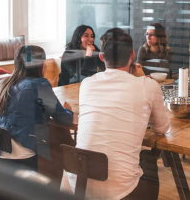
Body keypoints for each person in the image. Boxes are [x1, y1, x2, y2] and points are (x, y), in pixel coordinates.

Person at [67, 28, 171, 200]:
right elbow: (162, 128)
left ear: (101, 57)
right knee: (148, 159)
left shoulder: (87, 84)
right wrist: (142, 77)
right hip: (120, 192)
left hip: (79, 185)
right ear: (132, 55)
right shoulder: (147, 85)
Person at [0, 45, 74, 171]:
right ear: (39, 64)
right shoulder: (39, 85)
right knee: (59, 141)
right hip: (22, 156)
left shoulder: (1, 85)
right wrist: (68, 110)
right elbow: (65, 119)